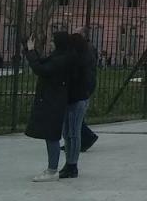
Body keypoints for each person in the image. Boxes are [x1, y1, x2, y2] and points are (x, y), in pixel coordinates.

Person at [24, 31, 82, 181]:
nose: (50, 43)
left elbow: (41, 69)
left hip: (54, 100)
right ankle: (52, 168)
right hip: (53, 98)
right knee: (51, 135)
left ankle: (52, 170)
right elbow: (43, 62)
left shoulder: (62, 59)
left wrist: (30, 52)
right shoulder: (62, 56)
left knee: (52, 135)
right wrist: (32, 50)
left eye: (53, 41)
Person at [74, 31, 99, 152]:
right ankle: (80, 139)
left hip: (84, 84)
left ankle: (87, 136)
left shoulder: (85, 50)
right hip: (87, 83)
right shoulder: (87, 49)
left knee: (75, 114)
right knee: (77, 114)